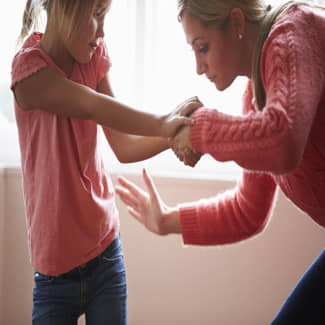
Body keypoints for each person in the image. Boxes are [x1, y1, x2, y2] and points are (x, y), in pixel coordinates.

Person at [115, 0, 325, 324]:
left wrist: (199, 128)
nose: (199, 67)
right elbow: (248, 211)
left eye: (203, 47)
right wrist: (166, 221)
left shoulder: (295, 31)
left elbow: (283, 139)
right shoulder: (256, 96)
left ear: (237, 23)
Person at [10, 0, 202, 324]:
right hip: (54, 278)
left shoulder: (93, 57)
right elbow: (91, 106)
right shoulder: (28, 71)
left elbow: (124, 146)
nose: (102, 31)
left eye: (105, 16)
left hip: (105, 257)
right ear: (61, 5)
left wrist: (178, 134)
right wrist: (164, 122)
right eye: (97, 14)